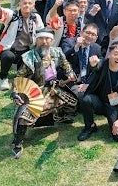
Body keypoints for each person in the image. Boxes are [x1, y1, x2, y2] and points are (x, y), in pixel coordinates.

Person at [10, 28, 77, 158]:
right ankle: (18, 142)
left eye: (47, 39)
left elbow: (65, 64)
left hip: (53, 88)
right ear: (36, 40)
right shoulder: (29, 58)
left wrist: (70, 72)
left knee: (72, 102)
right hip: (35, 93)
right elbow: (18, 78)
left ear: (52, 41)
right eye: (41, 38)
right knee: (24, 117)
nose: (44, 42)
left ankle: (59, 116)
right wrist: (15, 93)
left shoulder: (57, 52)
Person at [77, 40, 118, 142]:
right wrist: (93, 64)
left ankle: (113, 119)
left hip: (114, 105)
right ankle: (90, 126)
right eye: (115, 54)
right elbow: (95, 66)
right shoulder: (103, 64)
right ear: (109, 54)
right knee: (85, 98)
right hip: (99, 102)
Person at [0, 0, 44, 91]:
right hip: (9, 49)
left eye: (30, 3)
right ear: (20, 4)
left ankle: (20, 69)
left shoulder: (36, 17)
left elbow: (41, 33)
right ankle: (3, 77)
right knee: (8, 56)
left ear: (33, 6)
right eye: (24, 3)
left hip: (26, 51)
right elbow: (0, 13)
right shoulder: (13, 15)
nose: (27, 5)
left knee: (27, 75)